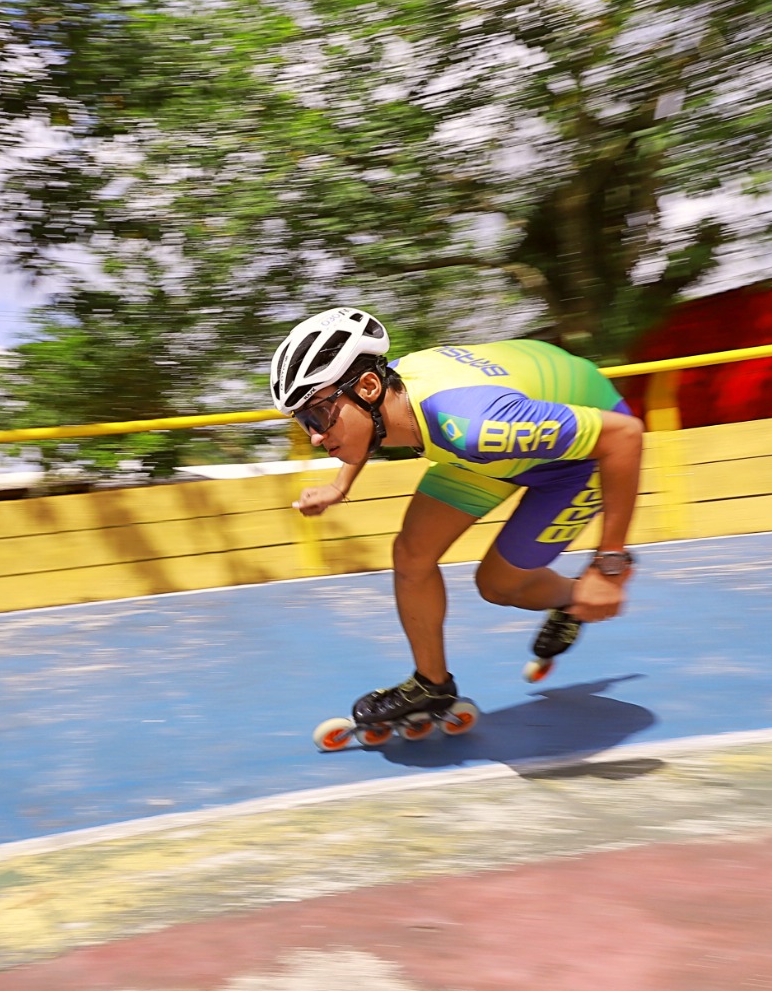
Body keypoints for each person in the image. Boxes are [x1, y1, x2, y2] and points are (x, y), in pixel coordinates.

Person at [269, 306, 645, 728]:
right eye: (305, 421)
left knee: (498, 585)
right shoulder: (387, 394)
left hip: (579, 453)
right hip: (496, 443)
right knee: (412, 554)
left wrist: (609, 566)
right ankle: (432, 685)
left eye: (318, 416)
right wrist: (341, 485)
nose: (317, 436)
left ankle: (579, 596)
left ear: (371, 385)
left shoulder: (475, 425)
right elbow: (361, 426)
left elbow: (625, 437)